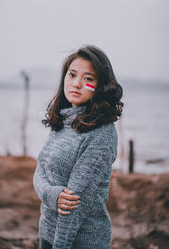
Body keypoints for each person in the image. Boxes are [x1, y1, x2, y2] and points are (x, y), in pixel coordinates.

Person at [33, 45, 123, 249]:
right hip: (47, 230)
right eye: (72, 75)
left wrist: (60, 245)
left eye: (88, 79)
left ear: (100, 86)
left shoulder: (102, 133)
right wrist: (50, 194)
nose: (76, 84)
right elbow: (40, 170)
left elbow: (74, 205)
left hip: (79, 241)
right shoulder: (63, 120)